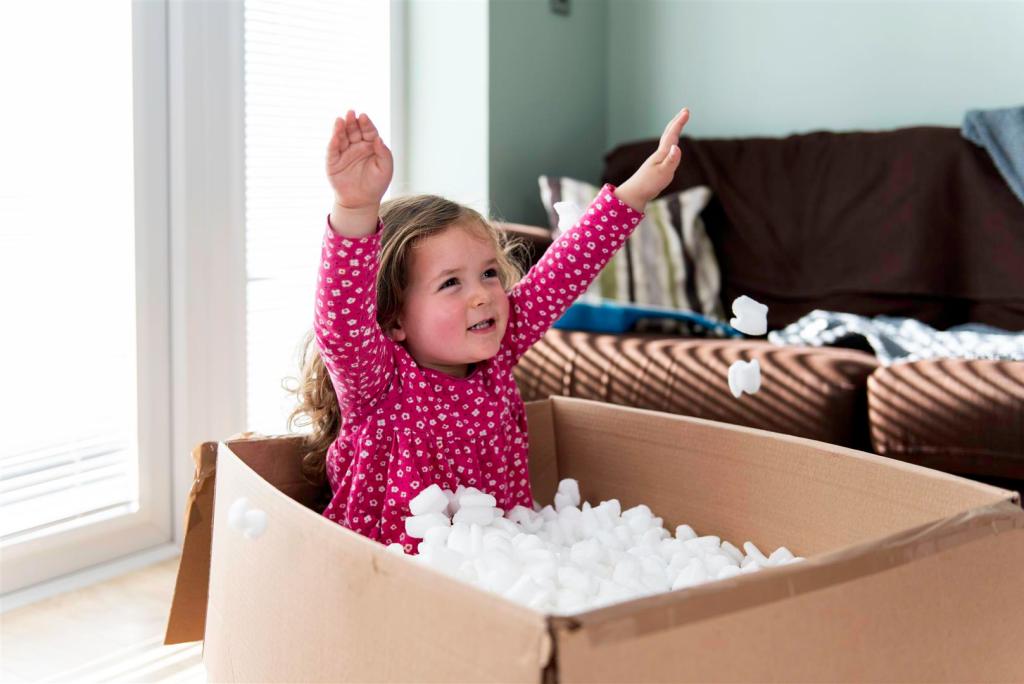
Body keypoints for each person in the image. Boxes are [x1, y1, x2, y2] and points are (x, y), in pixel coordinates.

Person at [289, 107, 691, 551]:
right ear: (394, 319)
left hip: (501, 568)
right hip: (394, 575)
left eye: (488, 274)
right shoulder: (378, 382)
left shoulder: (495, 356)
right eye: (450, 283)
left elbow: (566, 269)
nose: (481, 295)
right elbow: (341, 321)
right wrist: (355, 208)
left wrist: (639, 189)